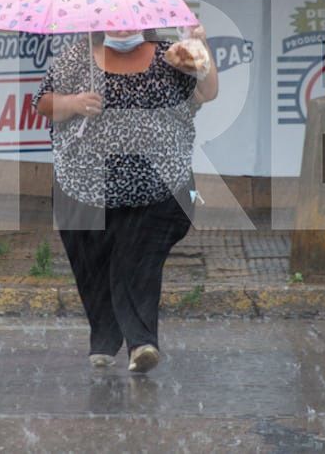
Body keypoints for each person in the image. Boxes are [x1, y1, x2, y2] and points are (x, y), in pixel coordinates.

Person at [34, 25, 218, 373]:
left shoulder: (171, 55)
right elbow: (43, 102)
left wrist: (201, 45)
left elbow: (207, 92)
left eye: (130, 20)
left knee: (133, 258)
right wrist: (73, 103)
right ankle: (104, 338)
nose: (123, 26)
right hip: (83, 188)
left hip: (158, 190)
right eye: (114, 19)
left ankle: (141, 343)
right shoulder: (78, 56)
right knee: (93, 266)